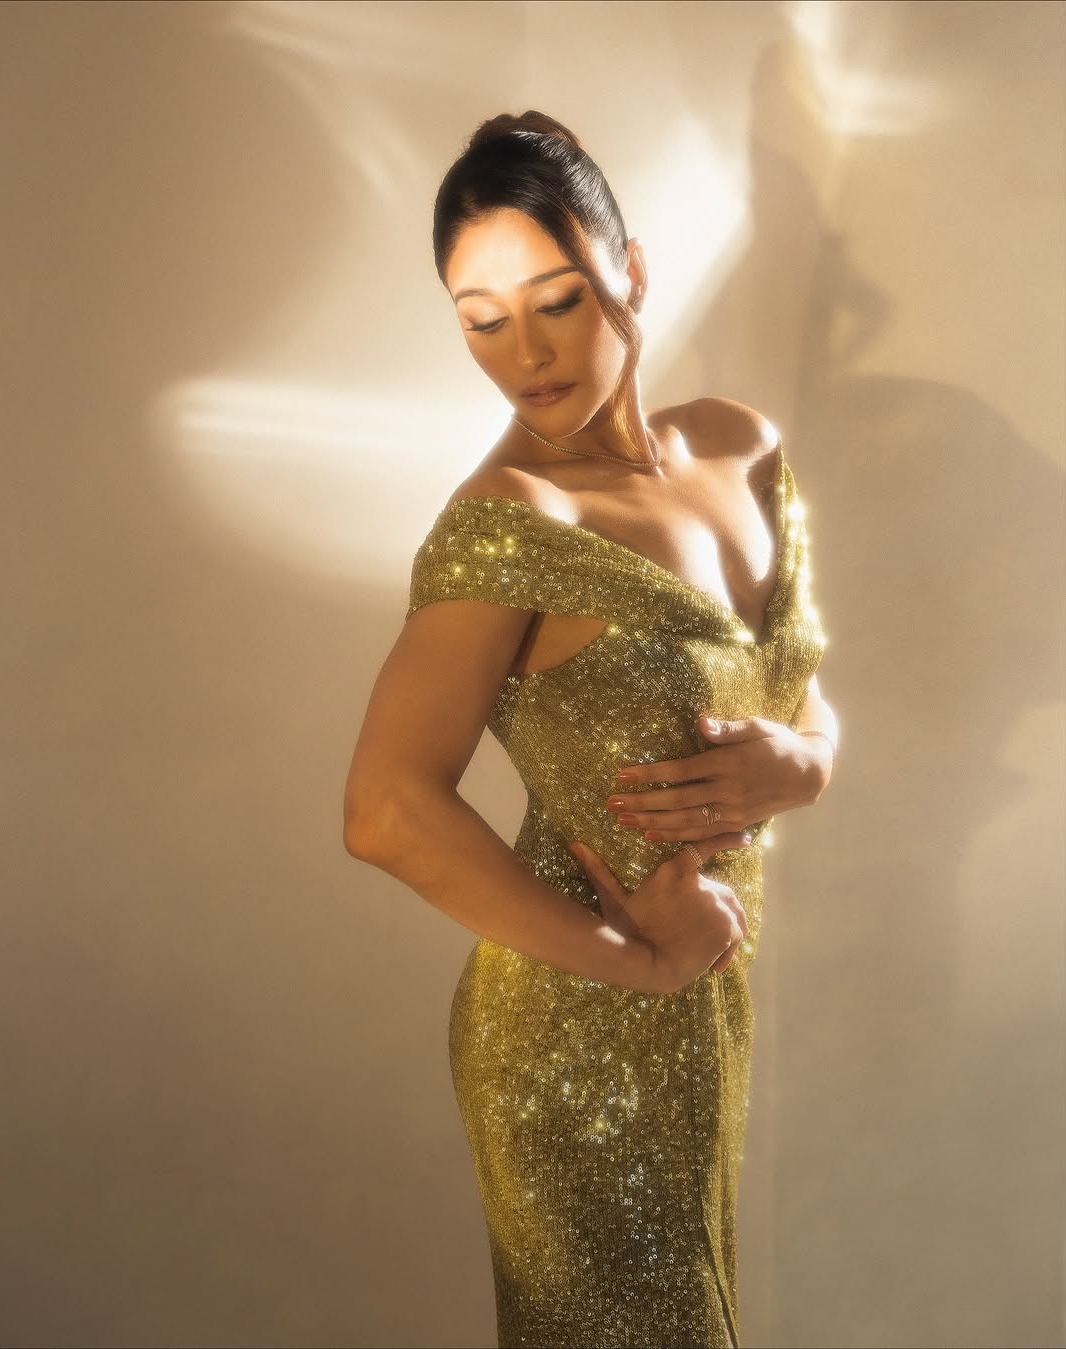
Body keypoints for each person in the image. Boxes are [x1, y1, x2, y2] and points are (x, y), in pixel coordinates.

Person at [342, 109, 839, 1349]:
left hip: (704, 1012)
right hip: (571, 1039)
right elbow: (386, 809)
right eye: (481, 319)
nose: (526, 353)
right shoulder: (509, 523)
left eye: (556, 300)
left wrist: (809, 762)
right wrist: (639, 961)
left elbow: (799, 685)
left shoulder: (741, 446)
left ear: (633, 270)